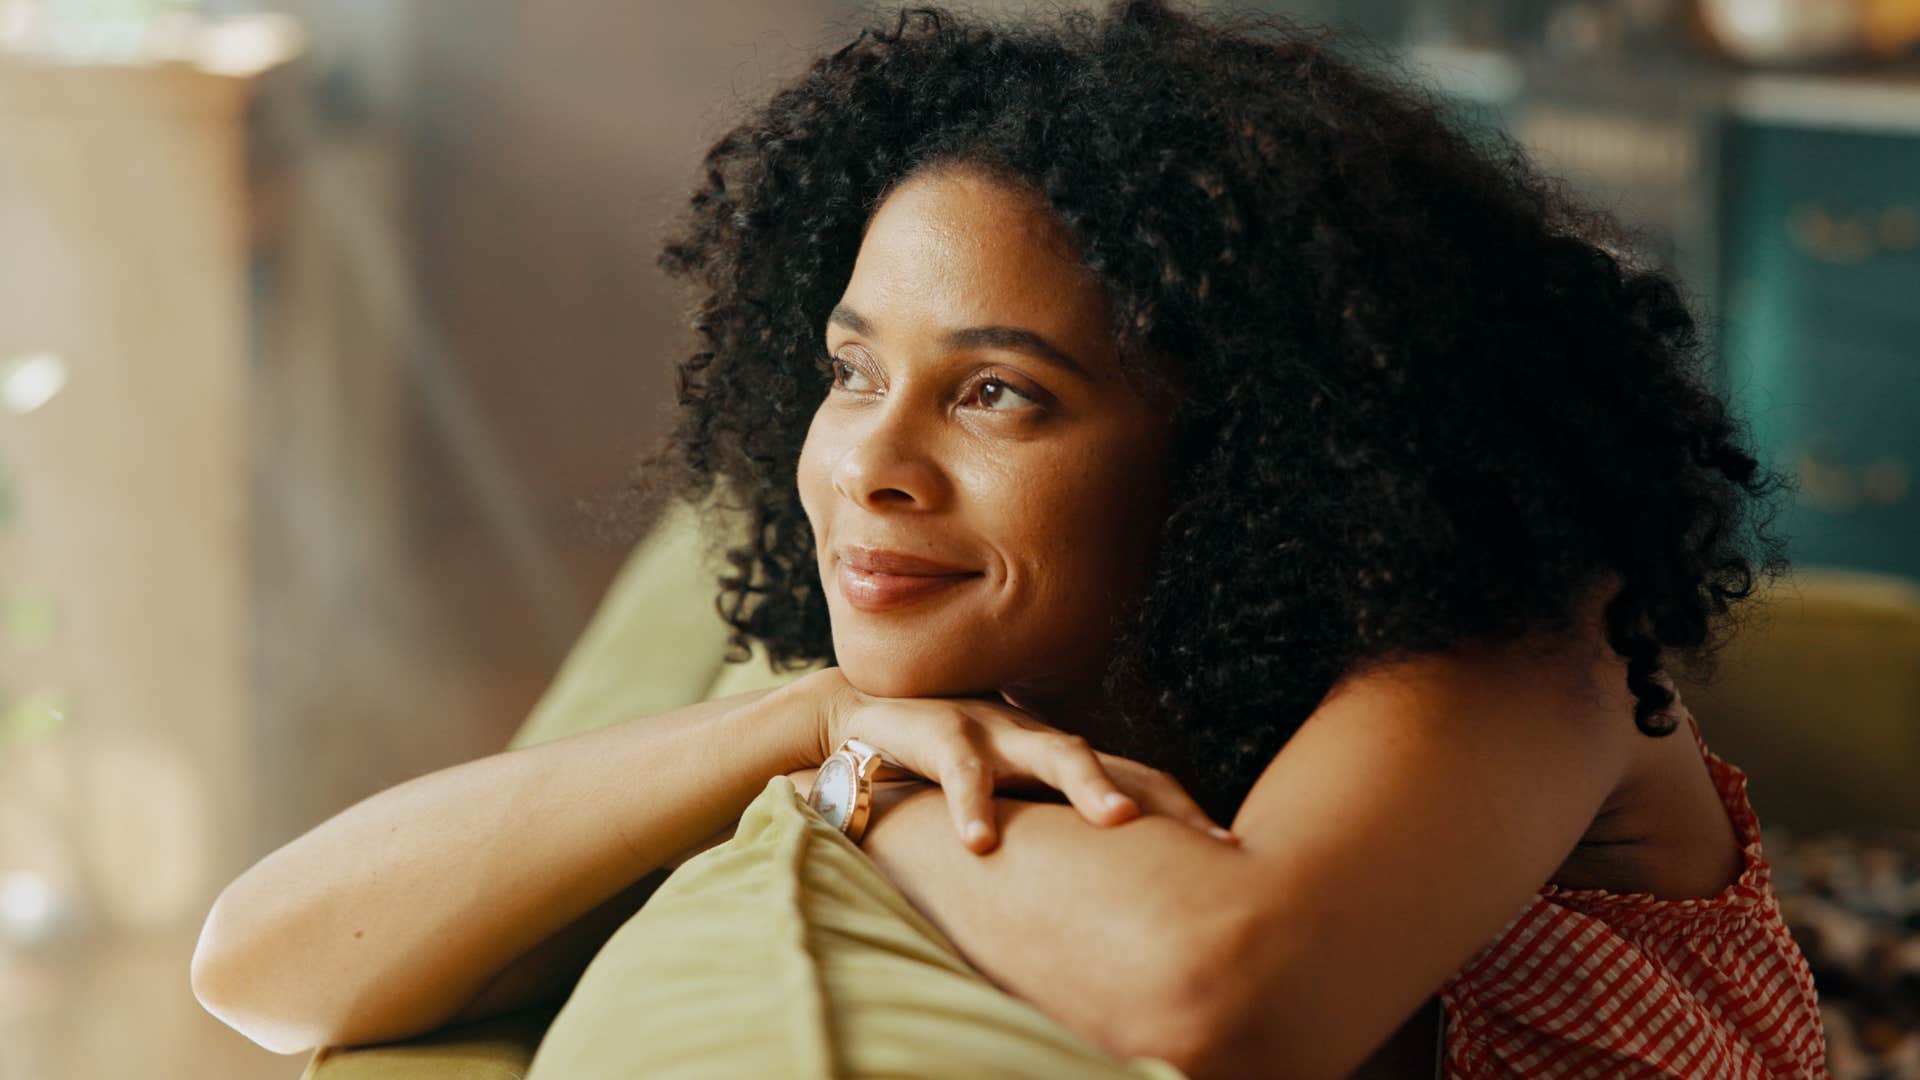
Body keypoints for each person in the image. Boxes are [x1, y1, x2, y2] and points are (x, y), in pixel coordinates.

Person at [191, 2, 1828, 1076]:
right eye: (849, 374)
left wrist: (864, 790)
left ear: (1250, 446)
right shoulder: (1005, 680)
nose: (870, 467)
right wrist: (804, 723)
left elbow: (1226, 993)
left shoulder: (1527, 642)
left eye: (997, 393)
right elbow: (263, 965)